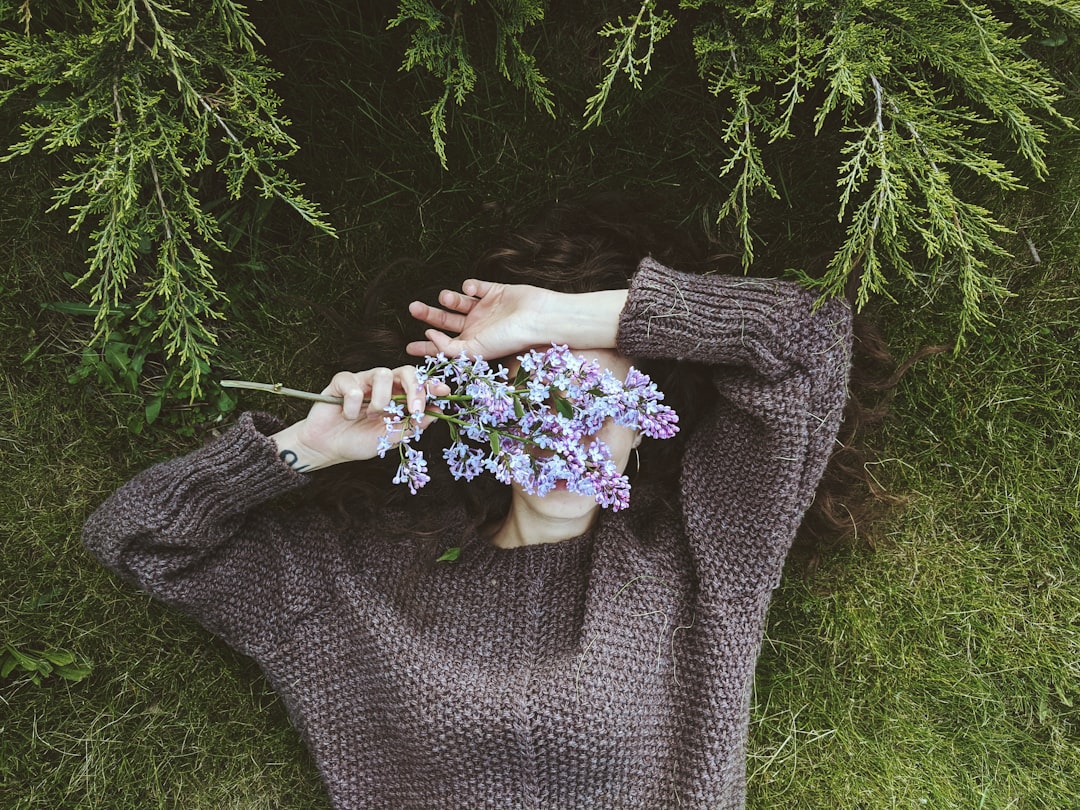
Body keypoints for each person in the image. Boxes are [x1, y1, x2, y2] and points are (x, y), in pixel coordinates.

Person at [83, 201, 855, 809]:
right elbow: (140, 536)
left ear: (644, 431)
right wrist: (309, 446)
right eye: (541, 401)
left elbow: (806, 338)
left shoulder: (700, 563)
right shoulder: (361, 578)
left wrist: (555, 319)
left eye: (596, 405)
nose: (570, 438)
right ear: (486, 421)